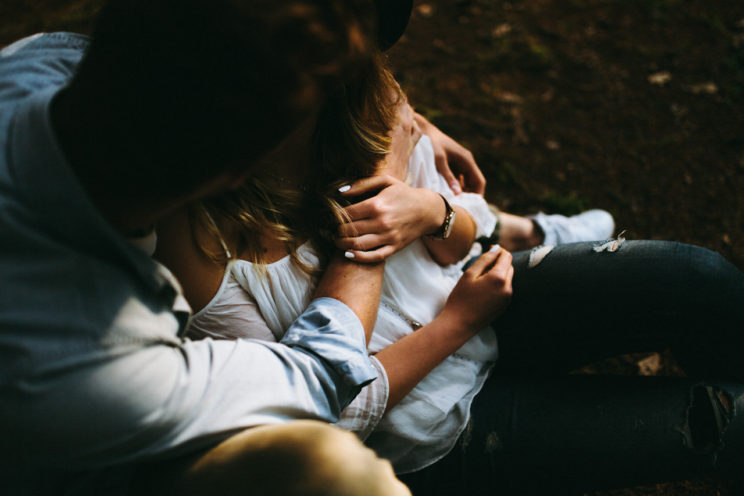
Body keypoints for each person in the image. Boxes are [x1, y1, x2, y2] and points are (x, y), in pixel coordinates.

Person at [156, 39, 744, 495]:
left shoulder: (362, 93)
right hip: (430, 429)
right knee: (719, 421)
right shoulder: (193, 240)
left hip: (478, 297)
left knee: (698, 277)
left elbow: (454, 240)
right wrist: (455, 322)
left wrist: (433, 210)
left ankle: (533, 235)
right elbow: (318, 420)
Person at [0, 1, 417, 495]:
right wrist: (379, 196)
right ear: (239, 173)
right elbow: (318, 378)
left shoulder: (37, 59)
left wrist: (399, 120)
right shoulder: (90, 369)